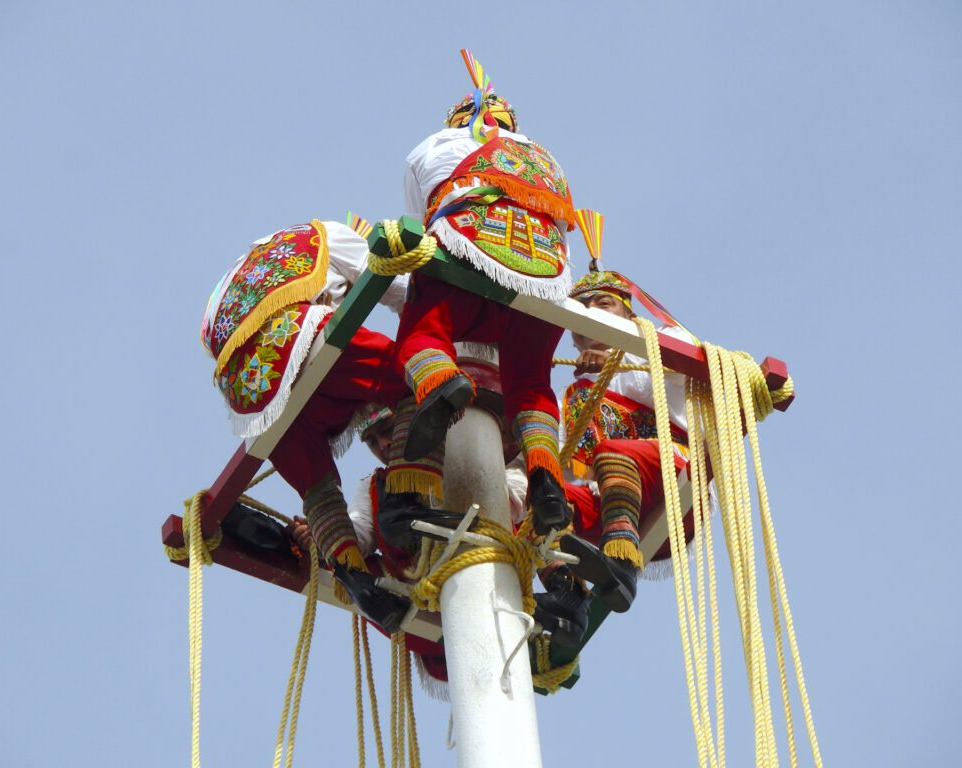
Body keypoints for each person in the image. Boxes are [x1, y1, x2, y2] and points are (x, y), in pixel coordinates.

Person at [378, 52, 578, 542]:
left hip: (467, 255)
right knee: (531, 384)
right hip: (545, 278)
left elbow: (425, 216)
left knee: (422, 333)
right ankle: (546, 479)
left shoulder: (434, 145)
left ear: (454, 119)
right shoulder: (543, 154)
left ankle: (443, 386)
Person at [201, 218, 412, 632]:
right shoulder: (326, 232)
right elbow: (402, 290)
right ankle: (407, 496)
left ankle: (349, 567)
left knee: (316, 486)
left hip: (251, 399)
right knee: (412, 372)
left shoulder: (231, 280)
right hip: (306, 340)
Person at [551, 270, 697, 615]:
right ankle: (568, 597)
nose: (592, 312)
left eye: (604, 304)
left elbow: (688, 359)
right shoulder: (566, 399)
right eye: (581, 309)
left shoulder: (657, 341)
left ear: (630, 314)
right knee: (540, 495)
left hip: (676, 479)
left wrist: (619, 358)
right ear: (573, 338)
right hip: (609, 503)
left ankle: (621, 562)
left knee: (611, 451)